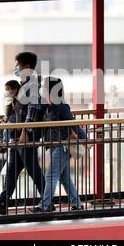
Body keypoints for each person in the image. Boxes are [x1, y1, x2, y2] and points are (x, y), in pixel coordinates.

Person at [0, 52, 46, 214]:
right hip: (18, 136)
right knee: (12, 171)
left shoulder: (32, 84)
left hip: (26, 136)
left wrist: (25, 131)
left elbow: (33, 109)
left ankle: (48, 202)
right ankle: (2, 204)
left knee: (33, 171)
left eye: (17, 64)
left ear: (25, 66)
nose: (15, 67)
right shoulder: (24, 83)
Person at [30, 77, 84, 213]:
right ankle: (77, 204)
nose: (42, 89)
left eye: (44, 87)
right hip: (54, 146)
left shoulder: (61, 106)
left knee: (50, 175)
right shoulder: (49, 107)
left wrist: (86, 140)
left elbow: (74, 124)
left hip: (63, 146)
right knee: (63, 177)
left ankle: (45, 205)